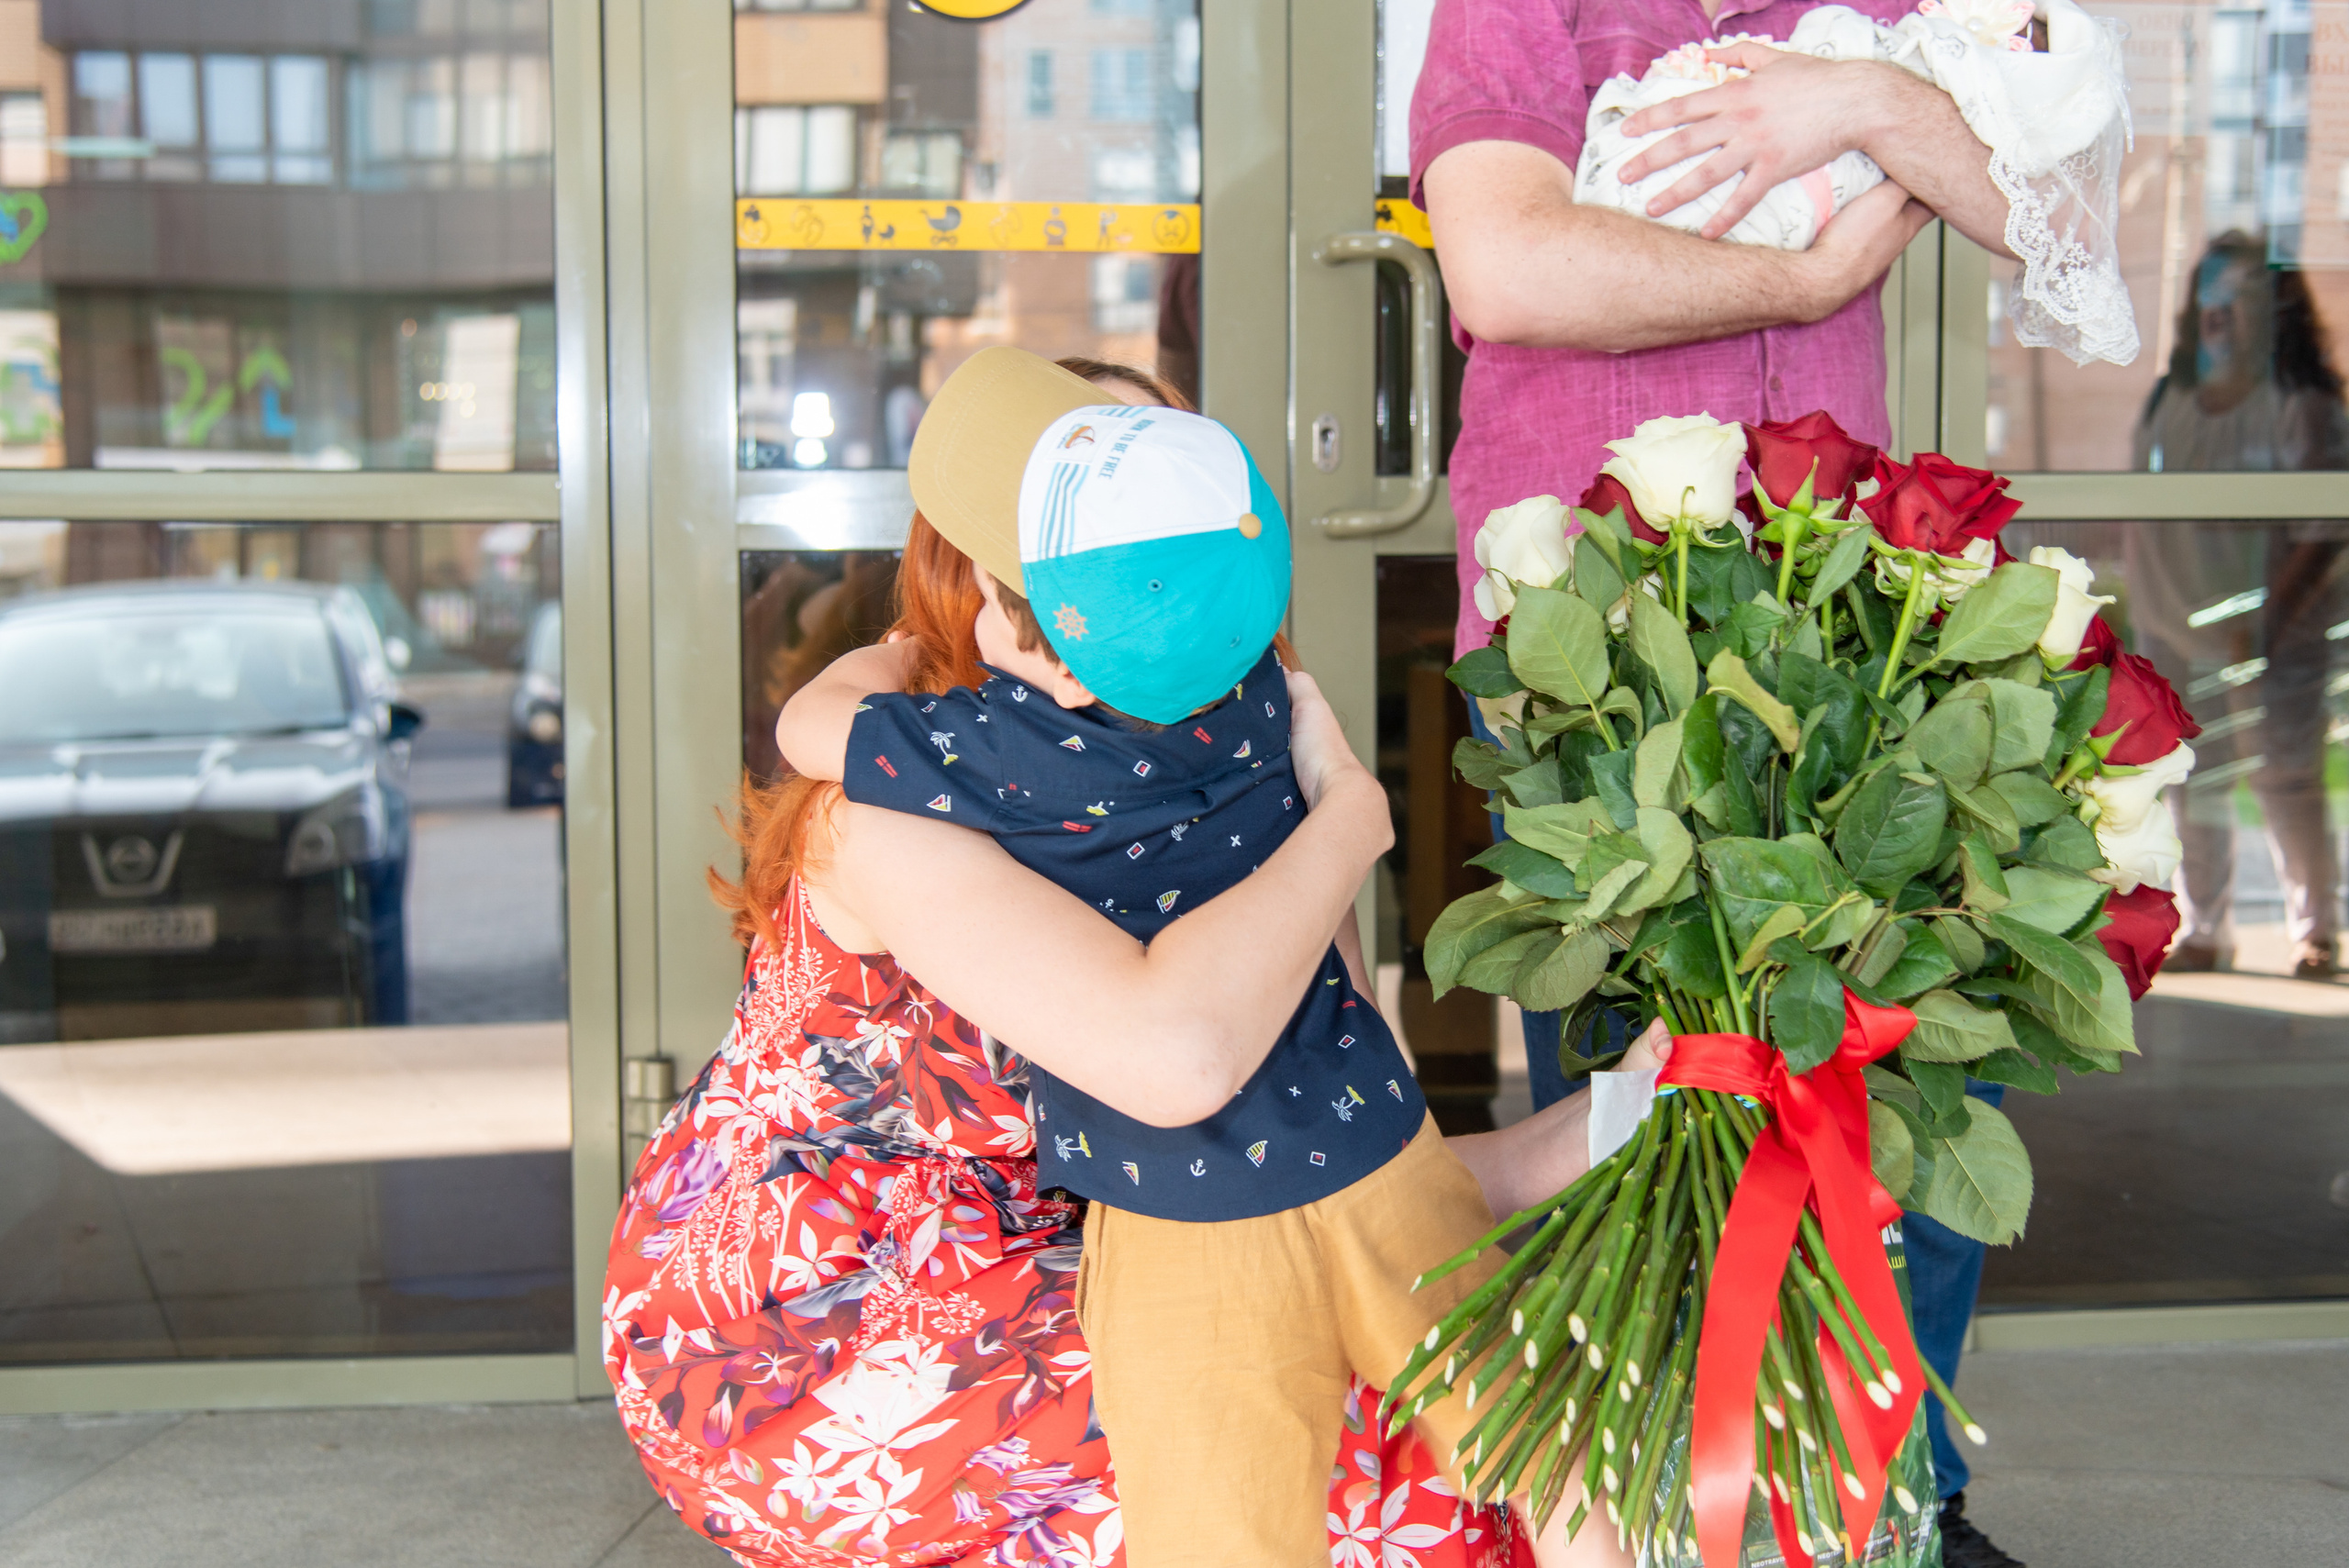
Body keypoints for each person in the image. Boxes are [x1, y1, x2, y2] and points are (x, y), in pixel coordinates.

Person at [775, 347, 1653, 1566]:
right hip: (868, 1264)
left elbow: (807, 721)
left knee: (1229, 1519)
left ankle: (1538, 1162)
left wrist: (900, 658)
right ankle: (1542, 1176)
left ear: (1030, 625)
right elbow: (1274, 1040)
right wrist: (1351, 811)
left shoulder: (989, 749)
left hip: (1176, 1216)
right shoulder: (1268, 706)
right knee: (1531, 1449)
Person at [1412, 5, 2027, 1562]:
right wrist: (1806, 283)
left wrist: (1867, 95)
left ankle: (1899, 1505)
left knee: (1900, 1090)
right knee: (1642, 1109)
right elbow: (1509, 267)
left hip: (1843, 640)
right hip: (1595, 655)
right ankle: (1654, 1509)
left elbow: (2040, 203)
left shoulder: (1877, 23)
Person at [2128, 232, 2349, 979]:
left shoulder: (2303, 405)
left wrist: (2258, 631)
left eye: (2241, 296)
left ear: (2274, 312)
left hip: (2276, 635)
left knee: (2287, 781)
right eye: (2210, 295)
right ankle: (2205, 929)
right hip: (2177, 630)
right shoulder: (2171, 396)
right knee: (2196, 781)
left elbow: (2319, 535)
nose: (2220, 312)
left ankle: (2316, 931)